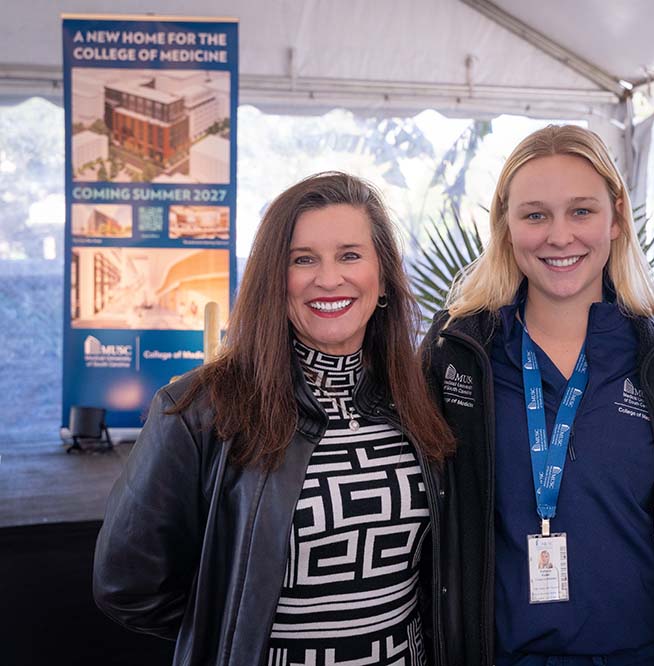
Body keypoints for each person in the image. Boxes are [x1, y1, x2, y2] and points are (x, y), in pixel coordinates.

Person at [93, 172, 454, 666]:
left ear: (384, 276)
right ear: (273, 280)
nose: (329, 279)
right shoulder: (200, 409)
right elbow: (128, 584)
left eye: (350, 255)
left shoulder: (420, 398)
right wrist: (232, 632)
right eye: (303, 259)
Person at [423, 125, 654, 666]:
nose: (559, 236)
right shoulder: (459, 355)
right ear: (505, 225)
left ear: (616, 218)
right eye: (535, 214)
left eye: (581, 211)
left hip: (636, 654)